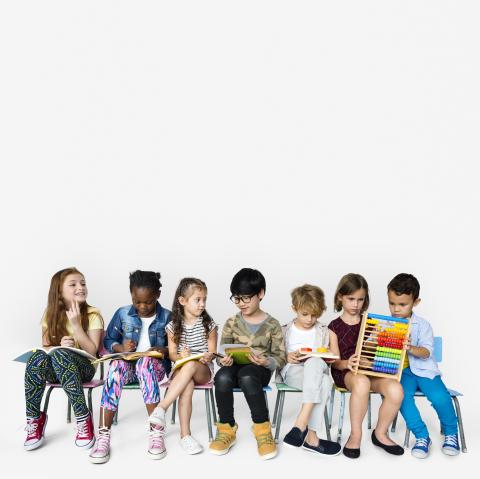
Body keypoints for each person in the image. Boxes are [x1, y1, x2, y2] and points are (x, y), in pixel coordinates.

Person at [89, 270, 170, 464]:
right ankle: (103, 435)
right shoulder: (123, 313)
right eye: (137, 301)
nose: (142, 307)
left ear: (158, 294)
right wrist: (120, 348)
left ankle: (156, 431)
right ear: (131, 295)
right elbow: (109, 340)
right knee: (116, 365)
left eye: (148, 302)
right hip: (128, 367)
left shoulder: (167, 316)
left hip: (153, 368)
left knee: (145, 363)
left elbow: (174, 348)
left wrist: (163, 350)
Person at [209, 268, 286, 460]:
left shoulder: (273, 324)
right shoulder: (231, 322)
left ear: (260, 294)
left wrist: (266, 361)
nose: (241, 304)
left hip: (258, 371)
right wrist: (222, 360)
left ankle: (263, 430)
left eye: (245, 298)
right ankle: (226, 429)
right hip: (234, 368)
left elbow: (281, 357)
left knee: (248, 375)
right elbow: (221, 354)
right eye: (236, 298)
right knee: (222, 377)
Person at [24, 267, 104, 451]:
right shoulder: (50, 314)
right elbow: (45, 347)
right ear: (59, 292)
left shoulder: (93, 314)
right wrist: (58, 344)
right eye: (73, 284)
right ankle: (34, 420)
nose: (81, 287)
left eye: (83, 283)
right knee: (36, 357)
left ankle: (83, 418)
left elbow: (93, 352)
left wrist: (76, 326)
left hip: (84, 368)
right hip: (56, 370)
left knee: (61, 355)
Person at [329, 273, 404, 458]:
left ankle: (380, 433)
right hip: (347, 372)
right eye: (351, 299)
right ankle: (355, 434)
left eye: (360, 299)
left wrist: (390, 339)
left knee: (396, 389)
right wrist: (348, 362)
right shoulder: (333, 327)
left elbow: (381, 354)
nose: (355, 304)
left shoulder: (371, 324)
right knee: (361, 382)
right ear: (340, 297)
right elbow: (334, 361)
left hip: (371, 371)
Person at [388, 273, 459, 458]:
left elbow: (427, 352)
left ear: (415, 302)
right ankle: (422, 436)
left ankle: (451, 433)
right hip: (403, 373)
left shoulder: (423, 325)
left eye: (402, 304)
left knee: (440, 397)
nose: (396, 309)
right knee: (401, 398)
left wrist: (410, 347)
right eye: (392, 303)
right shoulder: (387, 324)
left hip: (425, 370)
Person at [149, 278, 217, 454]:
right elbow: (172, 355)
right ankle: (185, 436)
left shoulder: (209, 325)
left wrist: (208, 356)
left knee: (191, 365)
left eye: (204, 300)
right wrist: (181, 356)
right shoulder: (172, 327)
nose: (202, 304)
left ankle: (161, 408)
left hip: (203, 369)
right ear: (182, 301)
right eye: (198, 300)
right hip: (182, 370)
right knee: (187, 383)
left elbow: (212, 353)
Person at [279, 284, 341, 456]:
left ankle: (300, 425)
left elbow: (334, 358)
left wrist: (326, 354)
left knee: (315, 363)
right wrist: (286, 357)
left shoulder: (324, 331)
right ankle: (311, 436)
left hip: (315, 369)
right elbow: (275, 355)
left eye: (314, 315)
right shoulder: (284, 330)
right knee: (325, 382)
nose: (309, 319)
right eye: (304, 314)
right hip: (293, 372)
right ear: (294, 309)